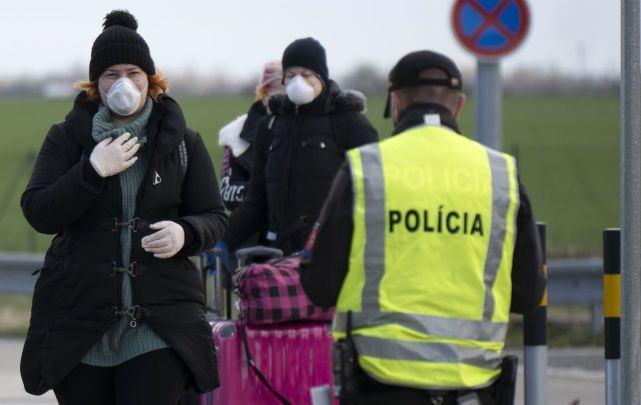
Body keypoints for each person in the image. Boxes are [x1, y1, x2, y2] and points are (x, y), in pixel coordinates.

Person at [300, 50, 546, 404]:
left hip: (379, 385)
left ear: (396, 103)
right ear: (458, 105)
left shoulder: (366, 168)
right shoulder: (501, 174)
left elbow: (320, 285)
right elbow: (528, 293)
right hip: (474, 387)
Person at [19, 10, 227, 405]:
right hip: (81, 325)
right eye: (112, 74)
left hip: (159, 324)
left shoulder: (184, 141)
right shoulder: (66, 138)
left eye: (133, 72)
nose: (124, 83)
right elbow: (38, 210)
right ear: (96, 83)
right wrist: (92, 171)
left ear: (150, 80)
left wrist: (187, 233)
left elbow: (214, 217)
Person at [219, 37, 379, 257]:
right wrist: (223, 239)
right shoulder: (271, 126)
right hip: (277, 254)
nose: (297, 82)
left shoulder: (350, 124)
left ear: (322, 77)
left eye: (306, 75)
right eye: (291, 75)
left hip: (330, 256)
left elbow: (372, 197)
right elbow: (256, 203)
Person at [218, 61, 284, 212]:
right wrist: (268, 189)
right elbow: (227, 193)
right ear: (264, 92)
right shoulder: (236, 134)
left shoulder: (309, 129)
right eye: (281, 90)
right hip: (255, 231)